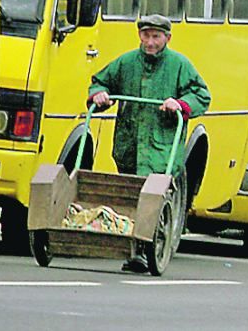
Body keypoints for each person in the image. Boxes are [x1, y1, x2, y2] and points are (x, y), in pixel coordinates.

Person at [88, 14, 211, 272]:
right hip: (129, 146)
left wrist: (180, 104)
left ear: (167, 38)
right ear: (139, 35)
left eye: (156, 37)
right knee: (130, 196)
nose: (150, 42)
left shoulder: (179, 65)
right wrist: (99, 95)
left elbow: (201, 94)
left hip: (161, 149)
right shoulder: (126, 62)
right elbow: (100, 81)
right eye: (146, 35)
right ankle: (131, 249)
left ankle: (144, 250)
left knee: (151, 198)